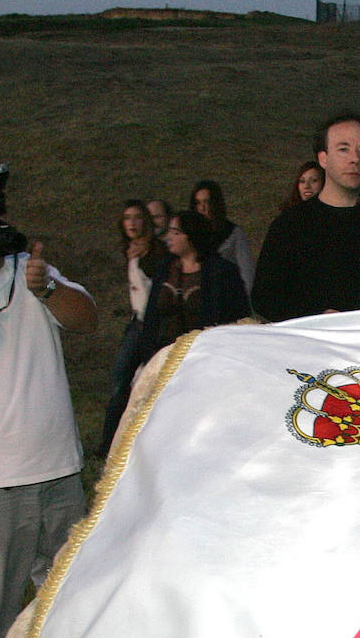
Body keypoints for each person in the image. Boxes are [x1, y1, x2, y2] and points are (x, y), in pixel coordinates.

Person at [0, 179, 97, 638]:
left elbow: (86, 319)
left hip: (54, 460)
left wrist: (46, 287)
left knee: (63, 575)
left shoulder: (28, 271)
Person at [252, 112, 360, 322]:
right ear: (323, 158)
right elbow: (264, 298)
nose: (354, 159)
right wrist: (318, 315)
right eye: (343, 149)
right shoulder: (290, 224)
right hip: (311, 343)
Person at [139, 208, 249, 363]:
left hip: (205, 355)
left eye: (176, 232)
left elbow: (238, 314)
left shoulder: (221, 272)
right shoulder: (165, 269)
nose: (169, 237)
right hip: (164, 354)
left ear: (191, 236)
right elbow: (152, 315)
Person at [98, 200, 165, 454]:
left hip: (150, 327)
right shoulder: (132, 252)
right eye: (127, 218)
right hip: (136, 323)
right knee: (120, 382)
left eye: (137, 218)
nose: (132, 223)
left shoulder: (155, 255)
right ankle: (109, 442)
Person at [190, 179, 254, 294]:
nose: (203, 208)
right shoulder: (189, 234)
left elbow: (246, 273)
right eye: (198, 203)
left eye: (207, 202)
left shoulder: (234, 233)